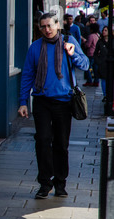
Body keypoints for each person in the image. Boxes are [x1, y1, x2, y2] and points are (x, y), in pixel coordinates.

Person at [18, 13, 89, 199]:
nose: (47, 30)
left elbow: (85, 64)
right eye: (43, 27)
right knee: (42, 141)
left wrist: (73, 53)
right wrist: (23, 102)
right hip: (42, 101)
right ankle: (44, 183)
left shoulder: (69, 41)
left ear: (57, 25)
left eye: (49, 25)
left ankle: (60, 183)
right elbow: (27, 75)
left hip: (64, 102)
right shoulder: (35, 47)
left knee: (61, 144)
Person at [95, 26, 114, 102]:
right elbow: (95, 53)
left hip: (111, 63)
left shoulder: (112, 41)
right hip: (103, 63)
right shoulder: (100, 42)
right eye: (103, 30)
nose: (104, 32)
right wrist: (98, 61)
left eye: (106, 30)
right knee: (103, 79)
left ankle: (111, 95)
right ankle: (105, 95)